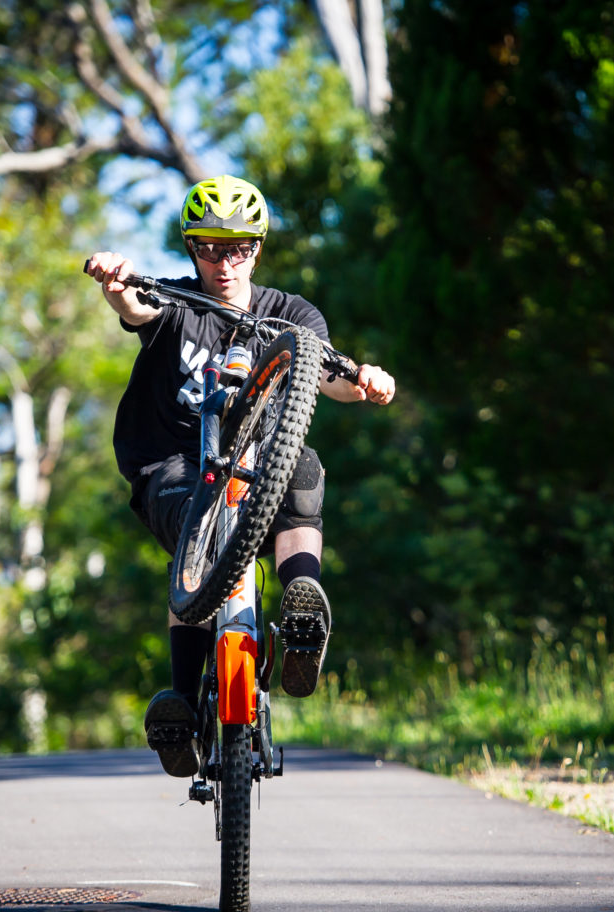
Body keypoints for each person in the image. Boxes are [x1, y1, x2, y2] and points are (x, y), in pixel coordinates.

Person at [83, 175, 396, 777]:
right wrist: (117, 280)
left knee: (304, 466)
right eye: (208, 248)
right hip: (173, 465)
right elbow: (133, 305)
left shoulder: (290, 314)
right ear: (190, 248)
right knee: (197, 527)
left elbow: (329, 374)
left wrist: (366, 381)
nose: (224, 263)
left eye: (238, 249)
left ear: (256, 248)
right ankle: (181, 697)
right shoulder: (175, 305)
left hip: (260, 464)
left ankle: (303, 613)